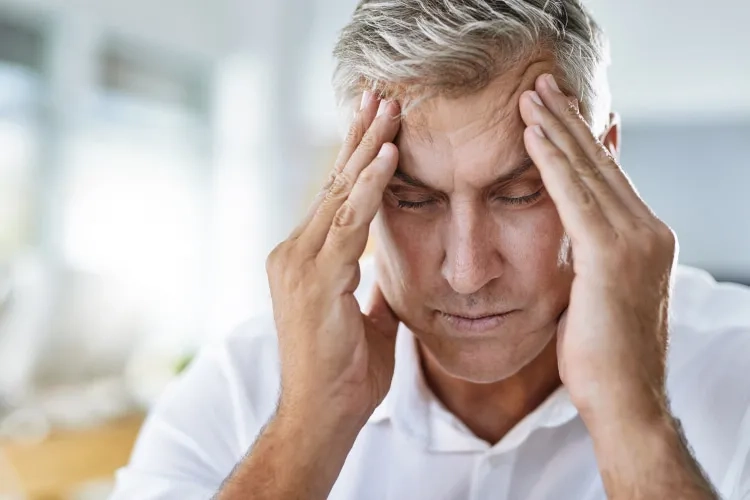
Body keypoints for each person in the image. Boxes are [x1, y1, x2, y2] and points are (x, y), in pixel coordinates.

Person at [111, 1, 750, 498]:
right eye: (413, 200)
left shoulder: (736, 365)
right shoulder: (242, 386)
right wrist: (305, 436)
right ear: (351, 188)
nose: (468, 273)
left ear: (605, 162)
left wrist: (634, 421)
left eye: (520, 194)